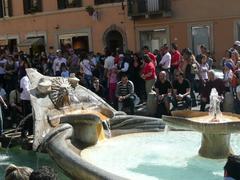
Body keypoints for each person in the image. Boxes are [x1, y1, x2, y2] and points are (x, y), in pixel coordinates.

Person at [20, 70, 33, 138]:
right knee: (26, 117)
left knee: (31, 117)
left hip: (30, 100)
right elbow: (26, 89)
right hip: (25, 100)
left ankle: (31, 131)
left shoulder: (30, 79)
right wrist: (32, 97)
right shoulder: (24, 79)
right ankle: (23, 132)